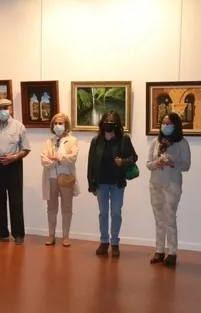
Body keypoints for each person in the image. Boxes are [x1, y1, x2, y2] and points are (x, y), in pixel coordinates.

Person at [86, 111, 138, 258]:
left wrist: (123, 161)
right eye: (106, 121)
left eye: (111, 121)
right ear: (102, 123)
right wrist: (91, 183)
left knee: (116, 213)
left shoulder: (123, 140)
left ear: (117, 124)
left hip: (117, 182)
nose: (108, 123)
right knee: (103, 213)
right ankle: (104, 241)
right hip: (101, 183)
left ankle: (114, 242)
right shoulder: (96, 141)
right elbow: (91, 164)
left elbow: (134, 157)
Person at [0, 98, 30, 244]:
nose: (2, 111)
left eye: (5, 107)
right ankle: (2, 233)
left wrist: (14, 157)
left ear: (11, 109)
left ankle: (18, 234)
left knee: (16, 200)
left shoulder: (19, 126)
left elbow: (26, 149)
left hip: (13, 164)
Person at [146, 113, 192, 266]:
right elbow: (148, 163)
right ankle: (159, 251)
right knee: (158, 219)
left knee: (170, 218)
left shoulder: (182, 143)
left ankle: (172, 252)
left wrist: (172, 163)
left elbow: (186, 165)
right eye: (163, 123)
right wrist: (156, 163)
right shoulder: (155, 142)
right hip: (155, 184)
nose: (165, 126)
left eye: (169, 124)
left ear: (176, 126)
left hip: (172, 185)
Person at [39, 112, 79, 247]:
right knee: (51, 208)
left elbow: (72, 158)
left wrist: (57, 158)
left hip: (66, 179)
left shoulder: (72, 141)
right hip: (51, 179)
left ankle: (66, 236)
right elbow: (44, 160)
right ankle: (51, 235)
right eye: (55, 123)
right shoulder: (48, 142)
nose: (57, 126)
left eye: (60, 123)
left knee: (67, 208)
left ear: (66, 125)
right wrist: (60, 160)